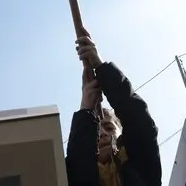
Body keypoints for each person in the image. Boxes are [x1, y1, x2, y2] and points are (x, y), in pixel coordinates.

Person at [65, 35, 162, 186]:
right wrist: (86, 109)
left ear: (121, 132)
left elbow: (139, 121)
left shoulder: (142, 167)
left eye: (109, 127)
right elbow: (78, 164)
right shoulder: (72, 177)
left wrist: (102, 67)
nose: (103, 134)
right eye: (96, 135)